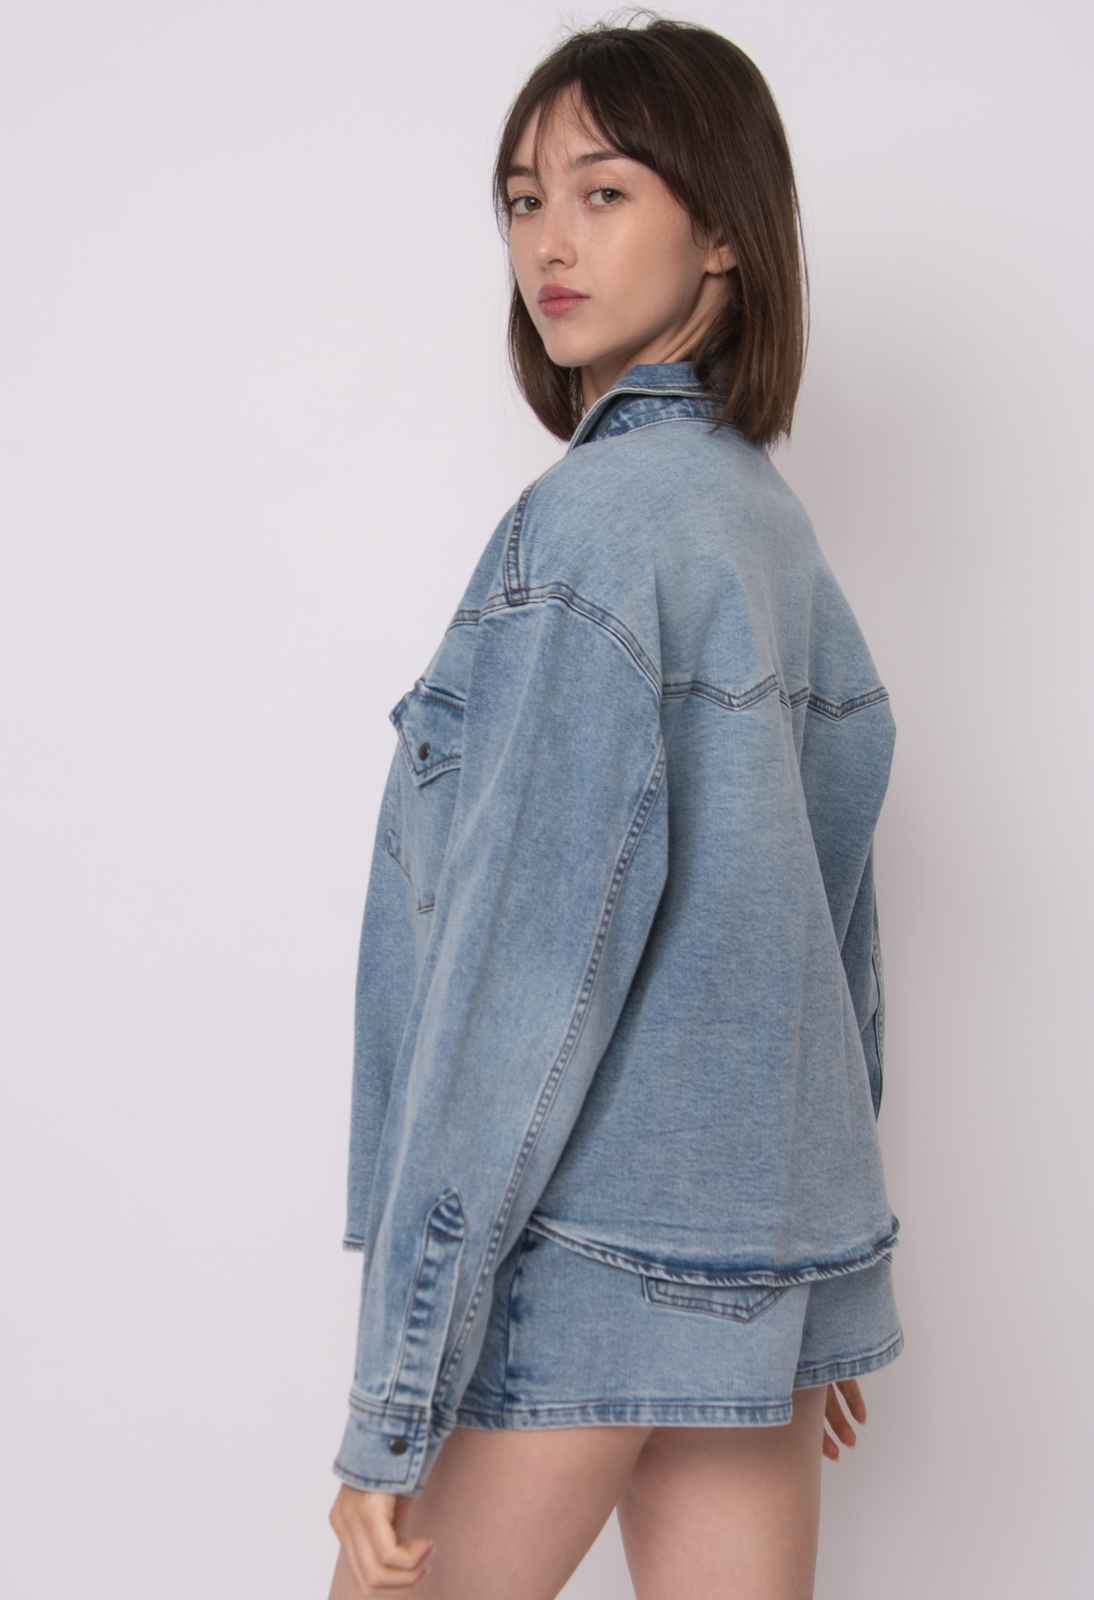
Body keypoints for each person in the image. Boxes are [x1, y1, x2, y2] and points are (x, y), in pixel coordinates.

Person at [327, 17, 902, 1599]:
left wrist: (394, 1394)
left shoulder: (587, 532)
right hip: (747, 1268)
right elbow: (837, 946)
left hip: (578, 1259)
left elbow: (516, 985)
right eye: (524, 200)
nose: (550, 245)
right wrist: (820, 1270)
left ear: (723, 229)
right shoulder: (773, 532)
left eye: (604, 191)